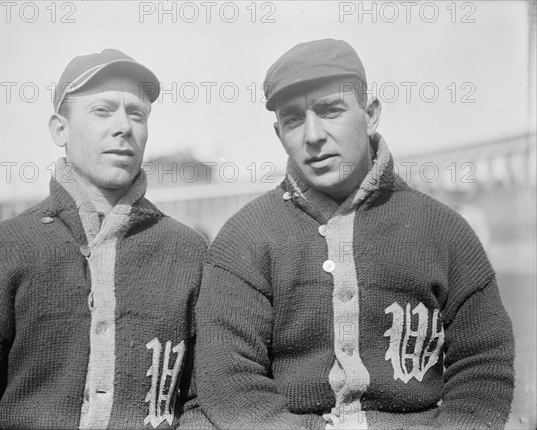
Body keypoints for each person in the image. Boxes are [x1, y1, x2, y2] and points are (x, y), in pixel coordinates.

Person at [192, 39, 515, 429]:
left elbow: (483, 362)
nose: (313, 135)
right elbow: (229, 380)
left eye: (330, 111)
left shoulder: (443, 230)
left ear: (371, 114)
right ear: (279, 134)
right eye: (294, 119)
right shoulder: (244, 238)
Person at [0, 49, 208, 429]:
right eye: (102, 110)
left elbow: (208, 402)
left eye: (137, 114)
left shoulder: (188, 251)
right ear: (59, 129)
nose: (124, 127)